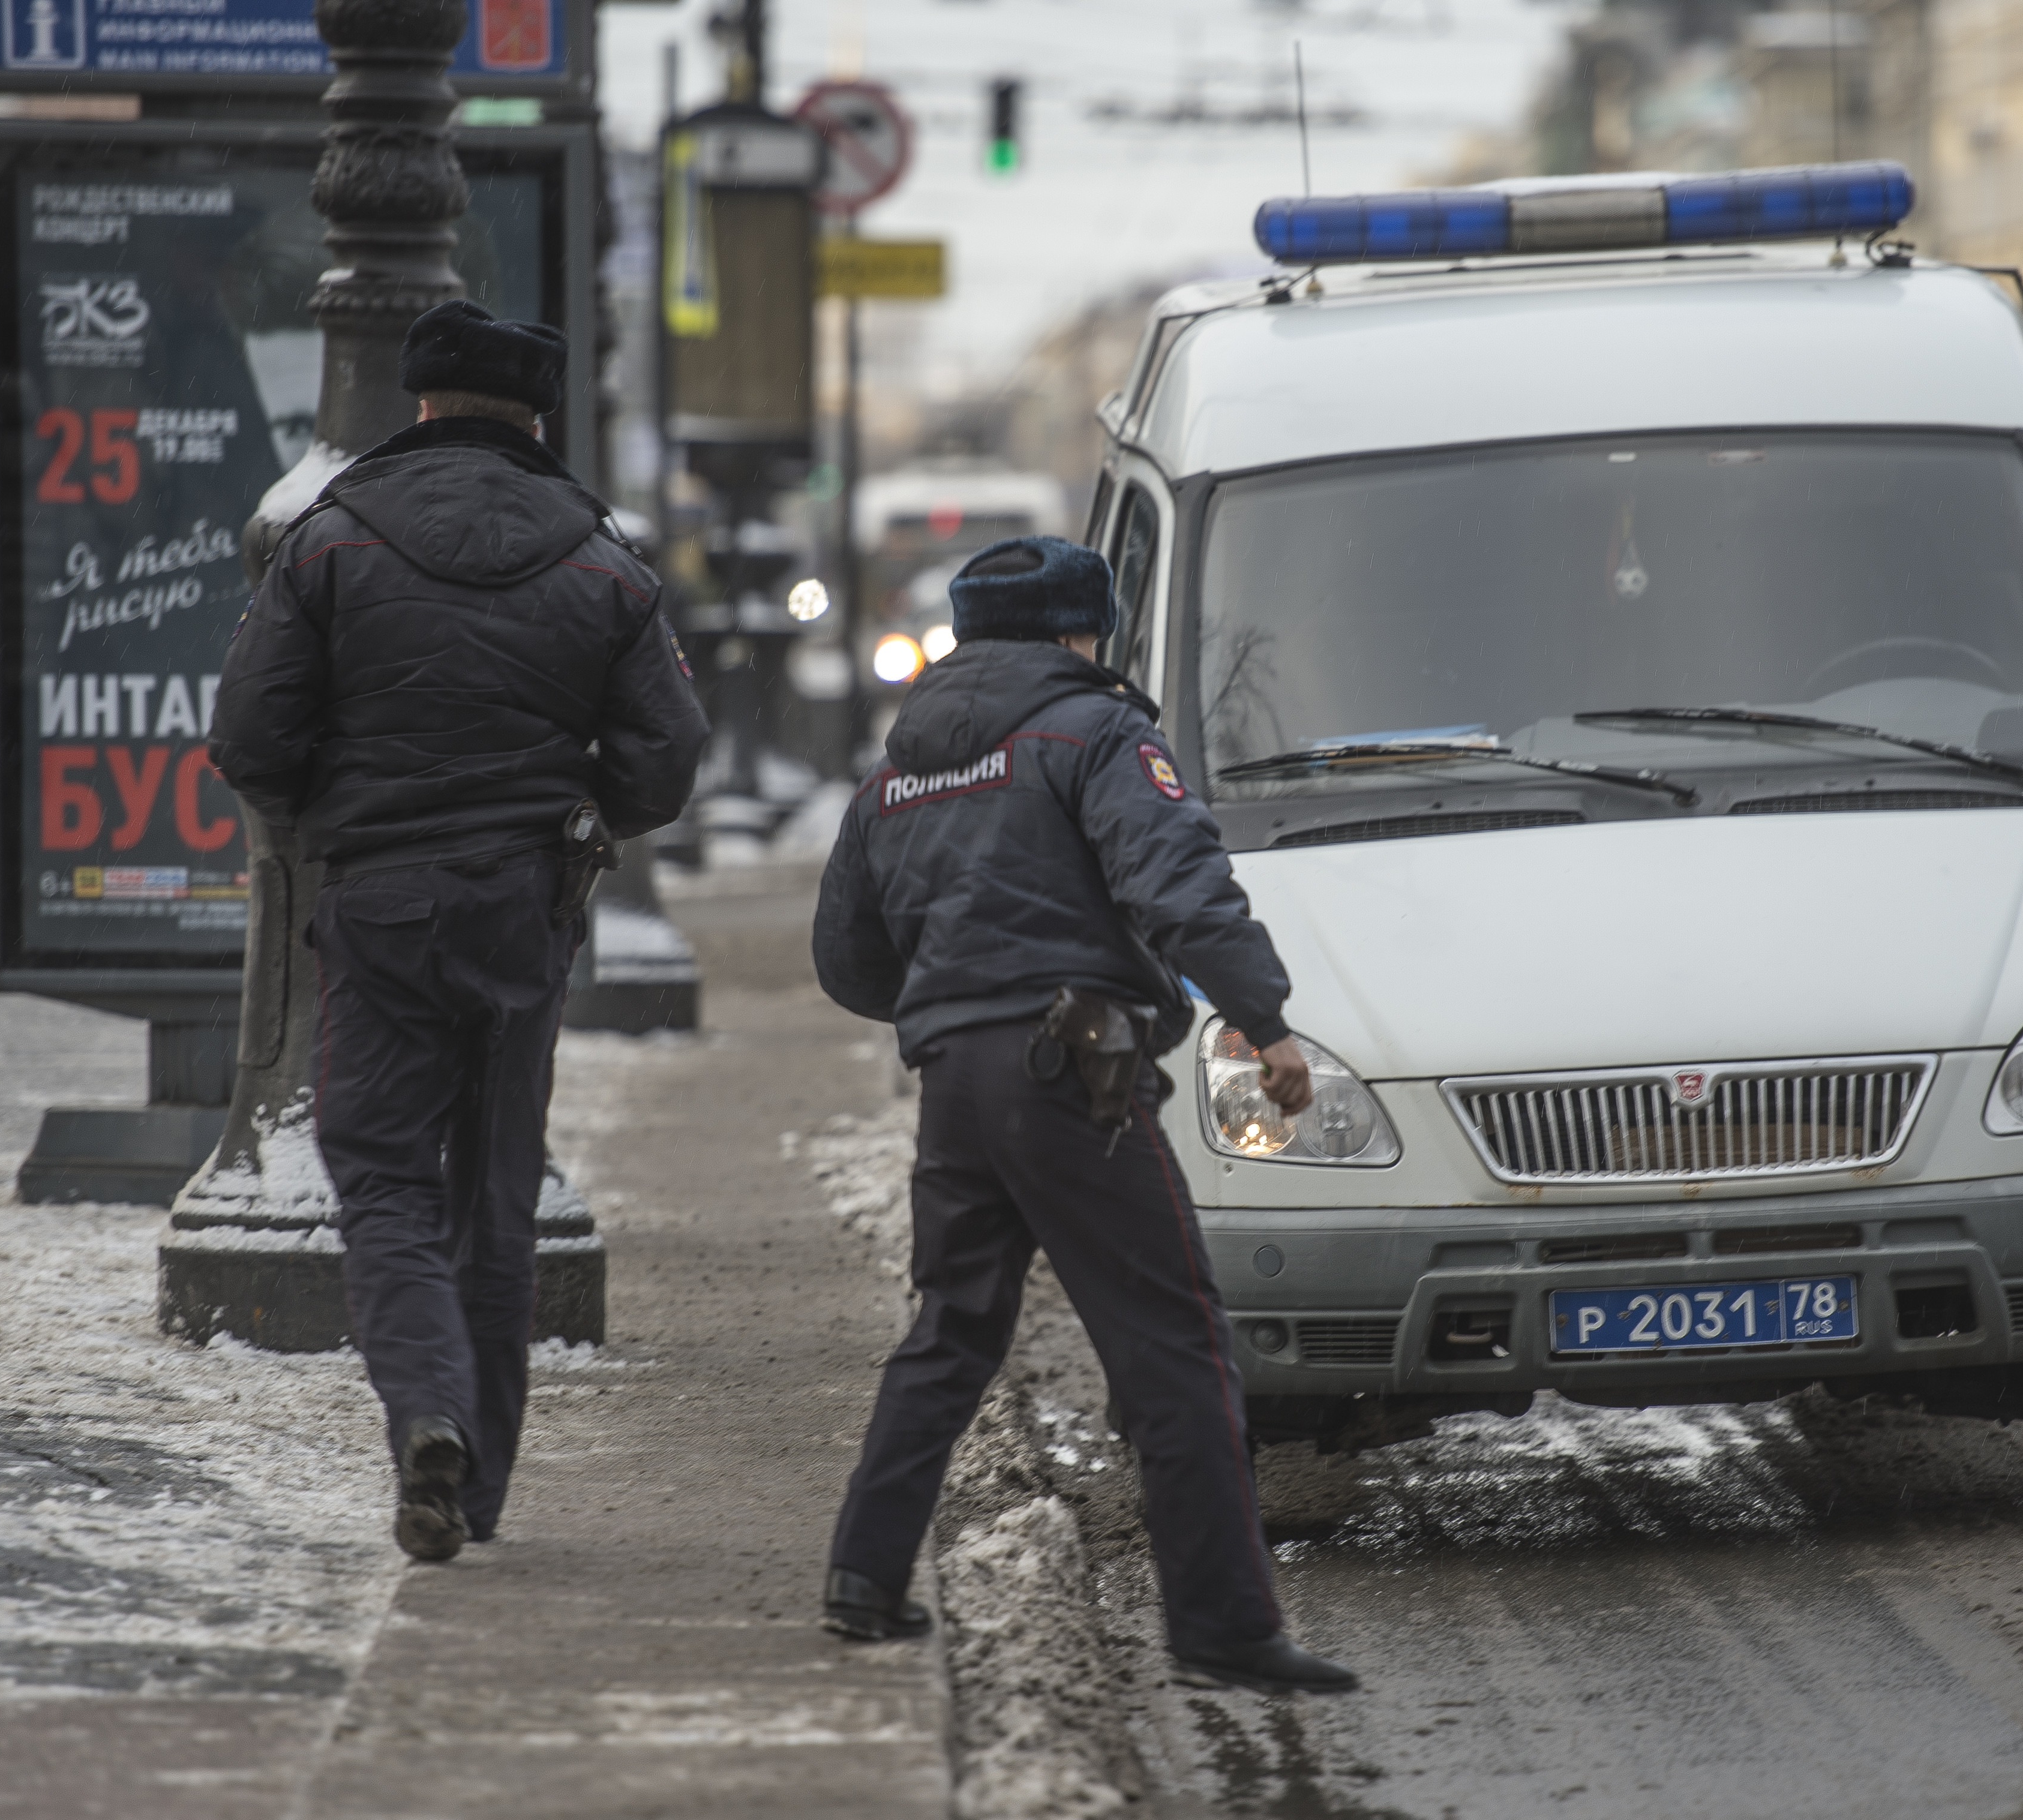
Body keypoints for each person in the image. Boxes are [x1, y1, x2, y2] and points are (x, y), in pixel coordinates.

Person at [811, 535, 1358, 1696]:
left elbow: (848, 958)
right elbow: (1178, 881)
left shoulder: (899, 766)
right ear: (1077, 633)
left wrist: (951, 993)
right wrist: (1265, 1020)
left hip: (955, 1080)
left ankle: (863, 1572)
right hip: (1074, 1066)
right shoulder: (1096, 730)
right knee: (1173, 1336)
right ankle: (1221, 1623)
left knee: (950, 1327)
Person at [210, 301, 708, 1562]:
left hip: (377, 900)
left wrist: (343, 803)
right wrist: (576, 804)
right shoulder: (602, 554)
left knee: (379, 1174)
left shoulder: (328, 539)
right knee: (496, 1195)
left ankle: (425, 1411)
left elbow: (250, 741)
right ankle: (477, 1482)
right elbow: (665, 761)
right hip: (522, 910)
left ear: (418, 403)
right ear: (538, 415)